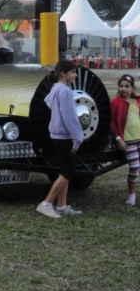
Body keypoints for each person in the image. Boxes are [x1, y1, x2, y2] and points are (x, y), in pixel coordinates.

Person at [36, 59, 83, 218]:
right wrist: (77, 137)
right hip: (64, 136)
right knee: (68, 172)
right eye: (73, 72)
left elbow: (48, 102)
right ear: (63, 73)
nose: (75, 75)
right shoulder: (65, 91)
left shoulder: (56, 88)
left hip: (56, 134)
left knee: (64, 170)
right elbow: (69, 117)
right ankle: (46, 203)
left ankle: (62, 206)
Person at [110, 74, 140, 206]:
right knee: (134, 168)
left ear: (133, 88)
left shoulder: (138, 101)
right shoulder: (115, 103)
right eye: (121, 86)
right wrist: (118, 138)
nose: (123, 89)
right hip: (128, 142)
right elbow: (111, 123)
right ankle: (131, 195)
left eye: (127, 86)